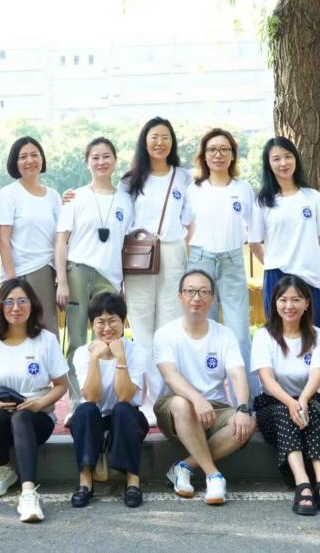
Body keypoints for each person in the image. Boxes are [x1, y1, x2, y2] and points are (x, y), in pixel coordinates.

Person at [249, 136, 320, 420]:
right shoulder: (263, 202)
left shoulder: (313, 197)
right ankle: (282, 403)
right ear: (268, 164)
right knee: (281, 340)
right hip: (278, 280)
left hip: (312, 280)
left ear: (295, 159)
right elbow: (255, 242)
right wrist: (274, 264)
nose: (283, 163)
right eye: (276, 159)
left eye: (287, 156)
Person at [154, 270, 256, 506]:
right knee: (182, 404)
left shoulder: (224, 334)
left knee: (247, 422)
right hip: (175, 406)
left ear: (212, 298)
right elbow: (170, 376)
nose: (196, 297)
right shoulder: (165, 334)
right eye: (190, 291)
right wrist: (197, 400)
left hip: (216, 408)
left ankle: (184, 467)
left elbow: (237, 373)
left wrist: (242, 408)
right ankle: (213, 475)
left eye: (203, 292)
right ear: (180, 296)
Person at [0, 278, 70, 523]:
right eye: (9, 302)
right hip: (1, 416)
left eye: (22, 301)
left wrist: (39, 404)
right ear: (0, 306)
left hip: (36, 417)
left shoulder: (46, 340)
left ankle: (28, 493)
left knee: (22, 416)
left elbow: (62, 385)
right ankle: (4, 469)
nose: (15, 308)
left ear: (32, 305)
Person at [120, 117, 192, 422]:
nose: (160, 142)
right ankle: (148, 398)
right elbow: (119, 218)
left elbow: (190, 219)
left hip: (172, 253)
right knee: (142, 328)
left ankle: (166, 397)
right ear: (144, 141)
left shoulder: (184, 177)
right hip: (138, 256)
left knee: (169, 327)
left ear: (172, 142)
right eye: (154, 137)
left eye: (165, 137)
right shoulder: (130, 180)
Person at [56, 137, 135, 410]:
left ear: (115, 160)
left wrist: (124, 283)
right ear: (87, 162)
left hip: (110, 276)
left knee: (107, 337)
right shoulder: (75, 197)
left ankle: (105, 399)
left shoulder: (125, 200)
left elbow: (128, 244)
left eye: (106, 156)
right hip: (78, 270)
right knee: (77, 339)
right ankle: (78, 403)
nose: (101, 162)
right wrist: (62, 282)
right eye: (95, 157)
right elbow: (61, 240)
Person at [251, 275, 320, 515]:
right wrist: (291, 403)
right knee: (285, 412)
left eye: (296, 300)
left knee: (310, 410)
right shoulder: (263, 336)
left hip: (309, 400)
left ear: (307, 303)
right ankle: (303, 484)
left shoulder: (319, 336)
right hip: (272, 405)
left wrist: (301, 400)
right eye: (283, 299)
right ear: (275, 303)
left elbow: (316, 374)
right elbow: (267, 379)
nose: (289, 306)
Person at [185, 127, 258, 401]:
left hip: (232, 261)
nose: (218, 155)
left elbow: (254, 231)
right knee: (204, 331)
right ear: (204, 155)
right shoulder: (193, 189)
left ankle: (247, 402)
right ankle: (209, 400)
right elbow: (182, 230)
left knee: (239, 334)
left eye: (224, 149)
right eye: (212, 150)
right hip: (200, 261)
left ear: (232, 155)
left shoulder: (243, 189)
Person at [69, 292, 149, 508]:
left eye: (113, 321)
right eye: (100, 322)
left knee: (123, 409)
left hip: (126, 418)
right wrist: (95, 358)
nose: (107, 328)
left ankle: (133, 482)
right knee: (85, 410)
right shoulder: (82, 353)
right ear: (92, 325)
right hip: (95, 419)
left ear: (123, 323)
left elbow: (125, 396)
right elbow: (92, 396)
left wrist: (120, 357)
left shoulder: (136, 351)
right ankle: (85, 482)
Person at [0, 136, 62, 337]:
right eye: (23, 157)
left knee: (46, 330)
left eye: (34, 155)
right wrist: (12, 281)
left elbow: (60, 238)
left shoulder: (53, 196)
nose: (29, 160)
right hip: (21, 272)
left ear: (42, 159)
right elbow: (3, 240)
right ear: (15, 163)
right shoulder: (9, 193)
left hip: (47, 271)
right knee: (18, 331)